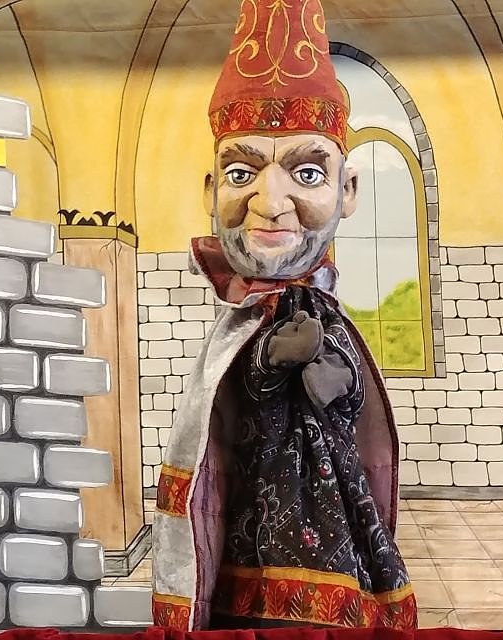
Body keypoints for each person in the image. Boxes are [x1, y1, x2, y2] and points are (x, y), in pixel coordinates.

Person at [150, 0, 416, 630]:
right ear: (212, 189)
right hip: (257, 513)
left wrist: (336, 380)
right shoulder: (241, 321)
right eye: (242, 172)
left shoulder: (325, 310)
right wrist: (272, 361)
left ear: (347, 191)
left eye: (307, 172)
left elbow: (351, 405)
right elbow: (231, 407)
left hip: (332, 505)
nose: (270, 203)